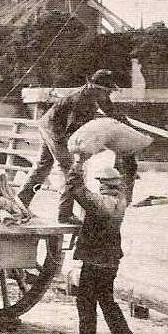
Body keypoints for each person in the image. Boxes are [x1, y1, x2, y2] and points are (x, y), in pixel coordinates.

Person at [17, 69, 127, 224]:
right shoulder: (79, 101)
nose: (108, 95)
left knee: (43, 166)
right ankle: (65, 214)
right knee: (70, 169)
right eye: (107, 91)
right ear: (95, 88)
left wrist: (125, 123)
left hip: (50, 125)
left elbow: (111, 110)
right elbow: (71, 133)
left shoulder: (97, 95)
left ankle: (21, 201)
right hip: (55, 130)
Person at [69, 166, 136, 334]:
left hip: (94, 261)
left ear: (105, 185)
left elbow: (77, 191)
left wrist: (76, 166)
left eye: (100, 183)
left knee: (86, 302)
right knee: (107, 301)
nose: (99, 187)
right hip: (111, 260)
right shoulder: (122, 200)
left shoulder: (100, 202)